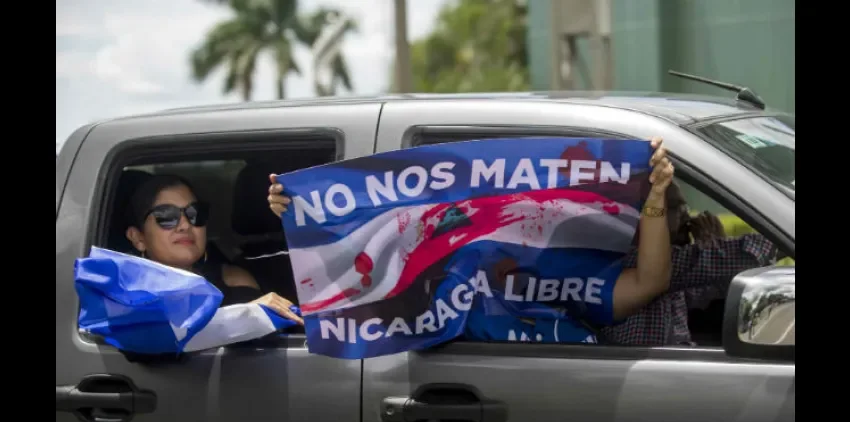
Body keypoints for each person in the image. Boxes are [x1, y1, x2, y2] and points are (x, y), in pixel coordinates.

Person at [266, 138, 677, 339]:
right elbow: (350, 293)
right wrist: (307, 218)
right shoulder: (425, 298)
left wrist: (656, 199)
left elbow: (649, 283)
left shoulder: (556, 268)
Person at [597, 180, 779, 346]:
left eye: (686, 208)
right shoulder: (636, 261)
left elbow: (709, 289)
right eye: (677, 208)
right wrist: (778, 236)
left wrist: (712, 248)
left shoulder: (672, 274)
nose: (688, 218)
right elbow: (740, 256)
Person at [125, 174, 303, 325]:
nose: (185, 225)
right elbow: (152, 337)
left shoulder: (233, 280)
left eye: (194, 214)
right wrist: (246, 314)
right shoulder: (124, 291)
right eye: (166, 216)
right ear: (138, 238)